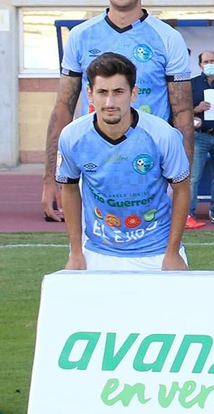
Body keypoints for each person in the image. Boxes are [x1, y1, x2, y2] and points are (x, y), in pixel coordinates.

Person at [41, 0, 194, 226]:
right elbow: (63, 107)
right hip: (96, 165)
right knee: (97, 249)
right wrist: (51, 176)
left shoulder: (167, 37)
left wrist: (181, 179)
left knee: (155, 254)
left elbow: (183, 112)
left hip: (151, 167)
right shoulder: (81, 36)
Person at [57, 53, 192, 273]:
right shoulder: (72, 136)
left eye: (118, 92)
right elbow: (70, 189)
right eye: (102, 92)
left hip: (156, 252)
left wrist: (172, 253)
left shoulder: (162, 135)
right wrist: (75, 252)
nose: (110, 102)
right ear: (90, 94)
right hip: (98, 251)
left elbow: (182, 190)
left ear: (133, 94)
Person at [187, 50, 214, 228]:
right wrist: (196, 109)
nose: (209, 64)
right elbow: (182, 109)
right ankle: (189, 212)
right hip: (200, 136)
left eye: (212, 60)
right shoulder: (193, 84)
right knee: (194, 176)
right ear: (200, 65)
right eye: (205, 61)